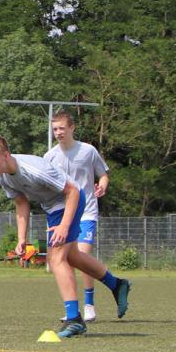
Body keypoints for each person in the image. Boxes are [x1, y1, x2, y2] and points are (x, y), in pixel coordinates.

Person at [0, 135, 130, 338]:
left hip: (71, 200)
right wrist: (21, 238)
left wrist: (64, 226)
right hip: (53, 208)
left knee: (56, 258)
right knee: (73, 257)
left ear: (6, 155)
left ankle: (74, 319)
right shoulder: (2, 176)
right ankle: (117, 284)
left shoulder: (33, 169)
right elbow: (21, 203)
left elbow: (73, 192)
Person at [44, 111, 109, 323]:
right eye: (55, 129)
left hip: (86, 211)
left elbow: (103, 174)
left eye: (62, 128)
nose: (58, 132)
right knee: (64, 260)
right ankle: (72, 308)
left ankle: (89, 305)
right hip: (64, 216)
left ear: (72, 128)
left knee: (82, 255)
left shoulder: (88, 151)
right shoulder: (50, 156)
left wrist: (102, 187)